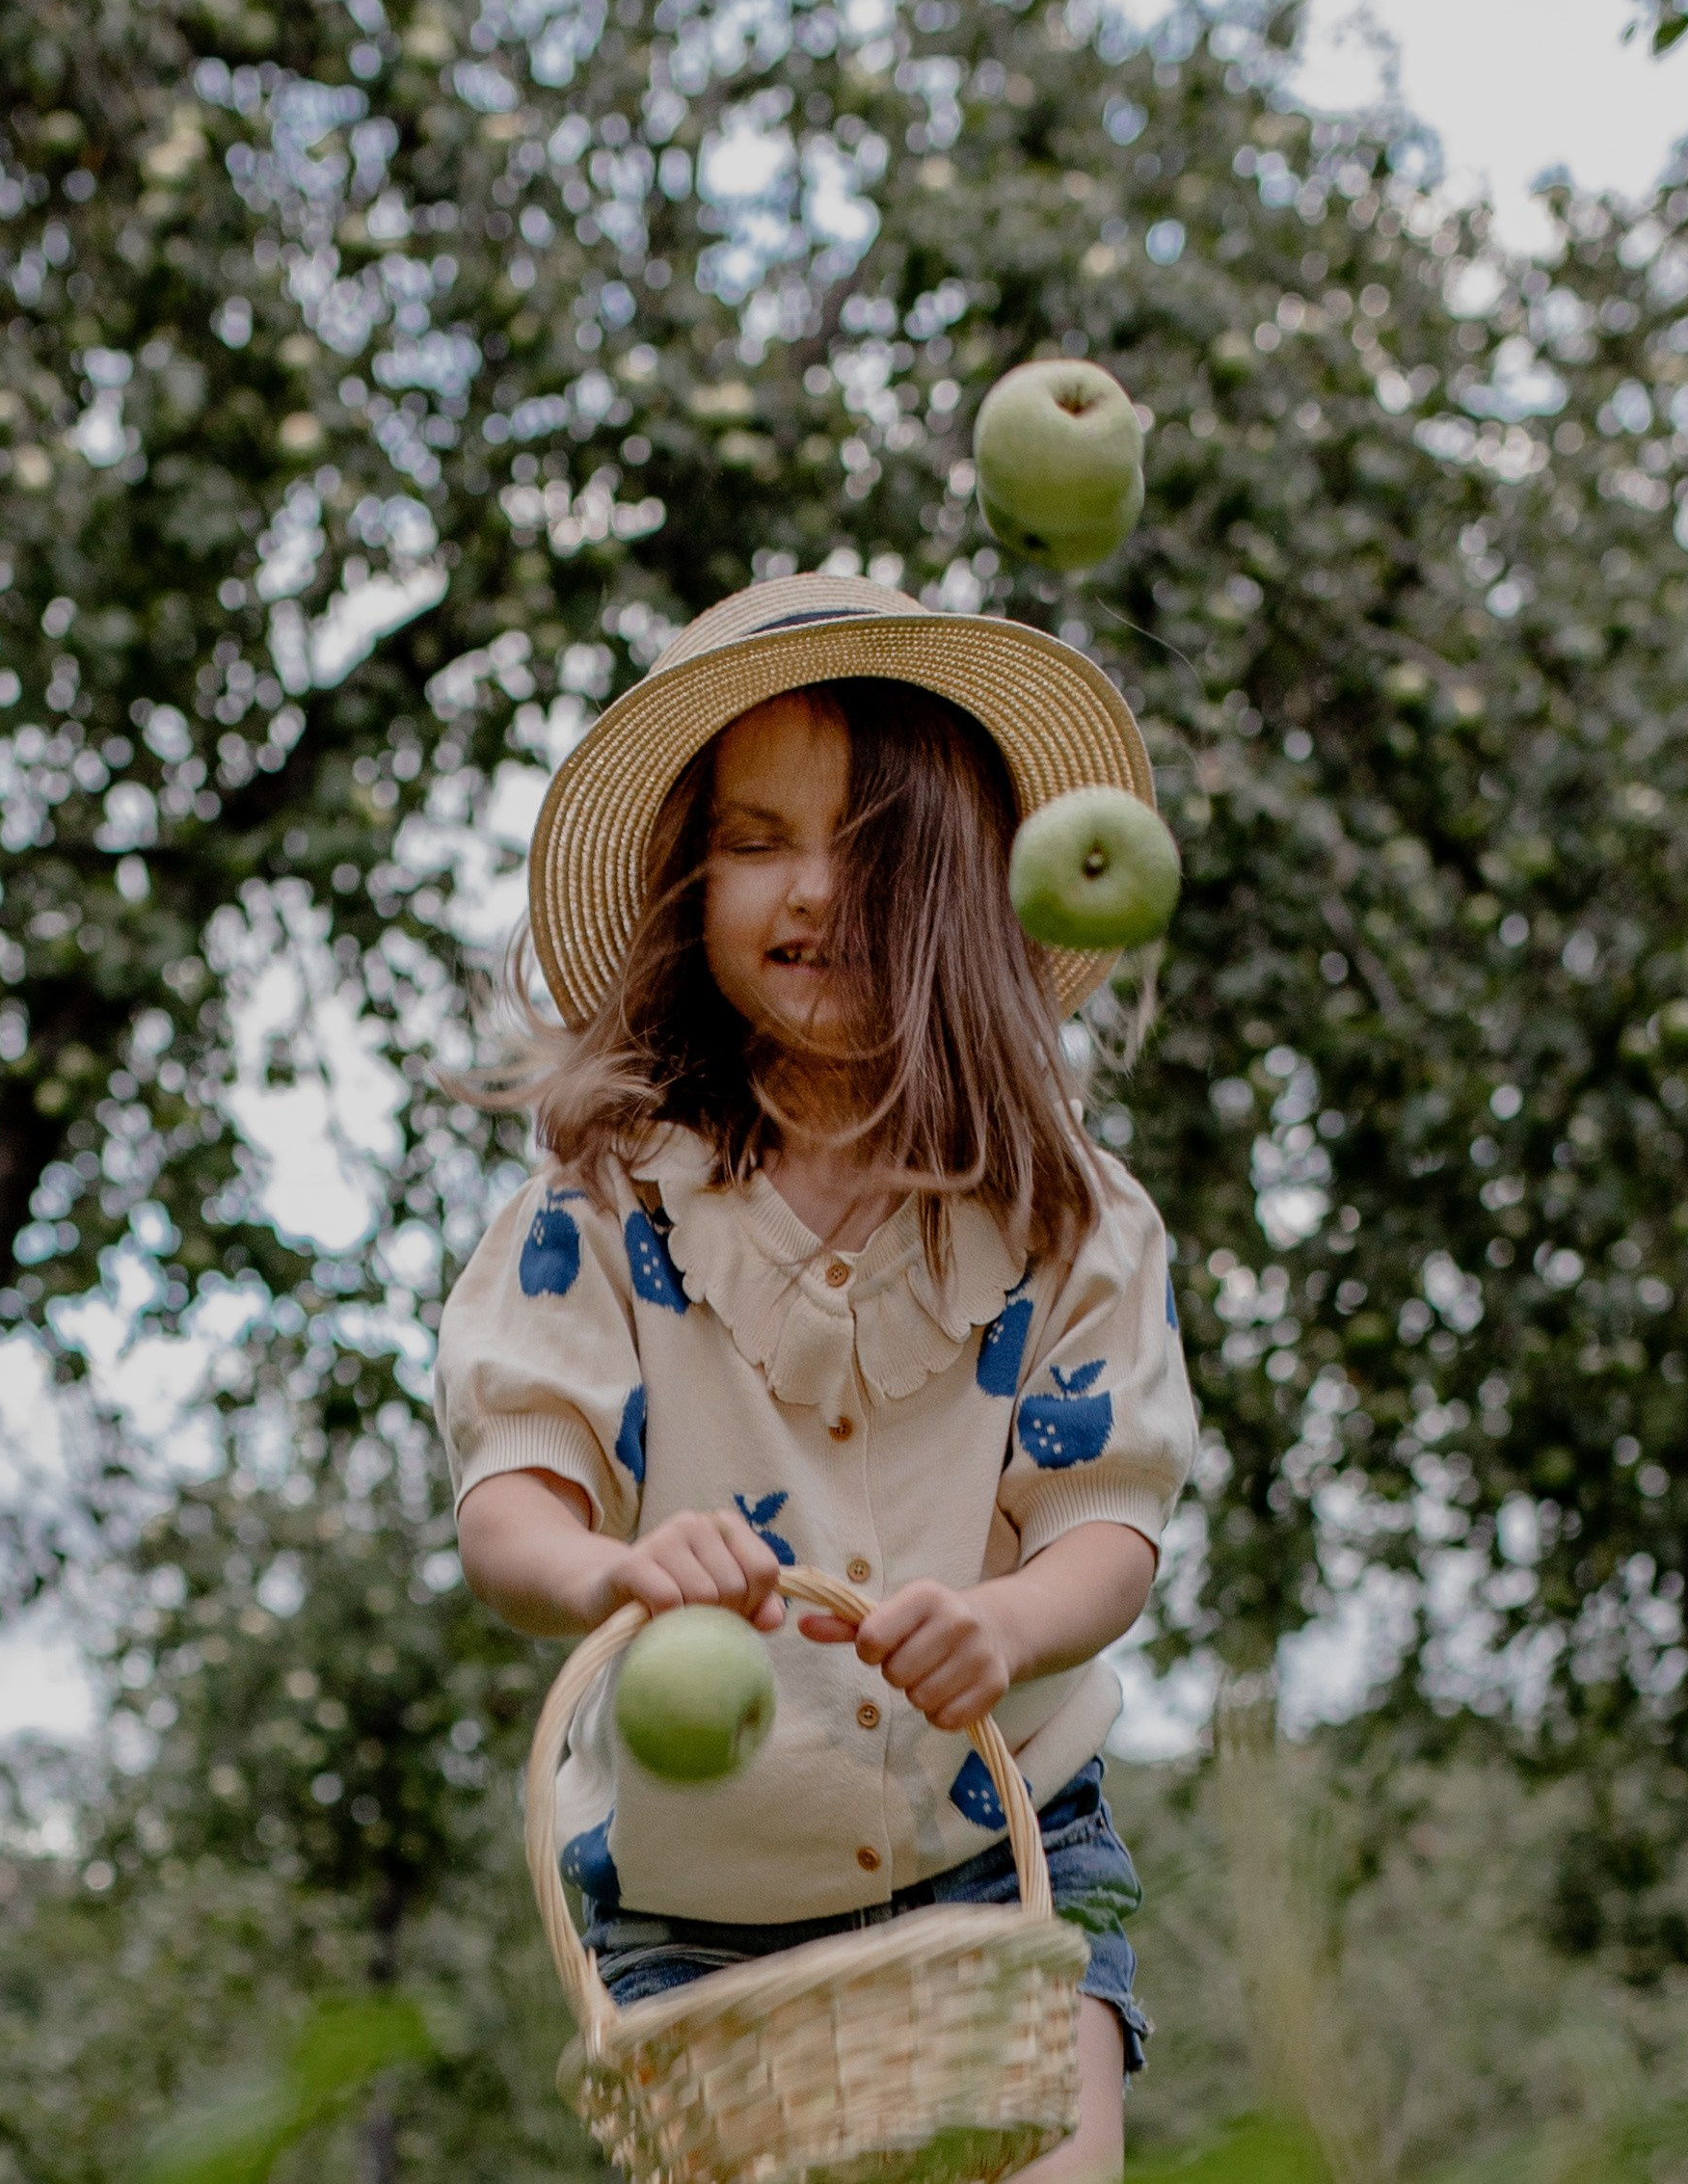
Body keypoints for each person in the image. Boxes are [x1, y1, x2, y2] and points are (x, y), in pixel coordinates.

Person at [437, 573, 1198, 2184]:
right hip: (706, 1910)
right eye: (756, 836)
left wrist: (1006, 1622)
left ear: (962, 883)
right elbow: (512, 1505)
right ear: (689, 883)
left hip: (1010, 1845)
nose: (813, 887)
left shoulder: (1068, 1213)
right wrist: (618, 1568)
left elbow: (1108, 1522)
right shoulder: (604, 1209)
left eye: (870, 841)